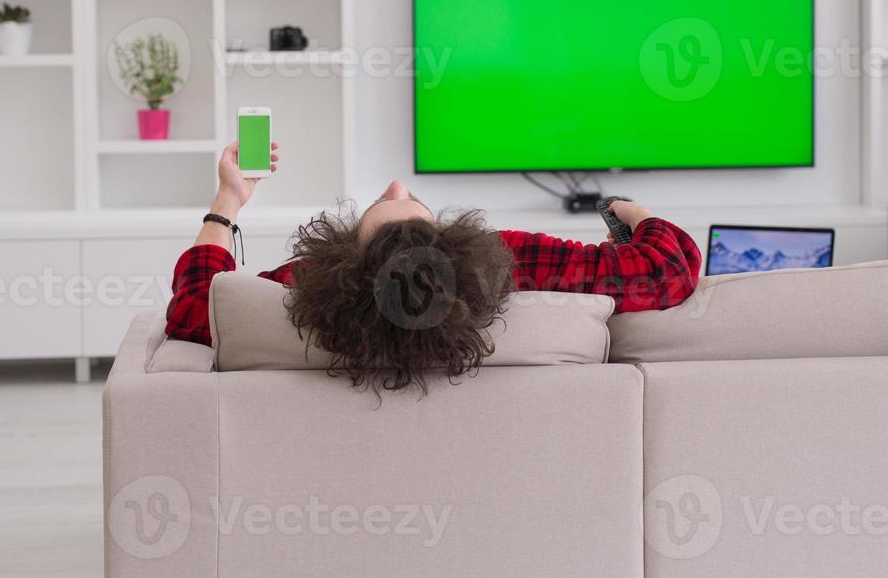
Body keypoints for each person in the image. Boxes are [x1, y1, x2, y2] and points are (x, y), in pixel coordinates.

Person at [166, 141, 702, 393]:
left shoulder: (303, 288)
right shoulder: (506, 263)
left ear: (343, 262)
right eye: (410, 200)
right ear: (455, 247)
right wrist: (628, 210)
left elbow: (197, 307)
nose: (398, 184)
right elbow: (663, 271)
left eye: (383, 199)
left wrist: (228, 200)